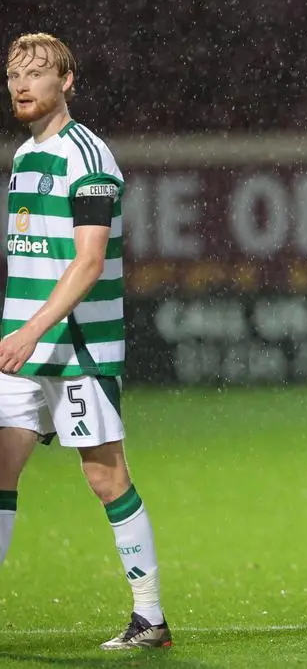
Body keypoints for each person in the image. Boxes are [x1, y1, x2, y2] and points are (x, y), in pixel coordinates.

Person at [0, 33, 172, 650]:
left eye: (38, 73)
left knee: (107, 478)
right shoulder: (24, 156)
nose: (22, 84)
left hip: (76, 350)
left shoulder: (89, 159)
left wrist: (32, 329)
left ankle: (150, 618)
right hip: (21, 352)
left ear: (67, 81)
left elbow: (89, 261)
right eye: (15, 73)